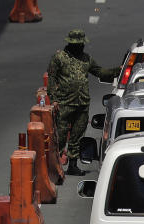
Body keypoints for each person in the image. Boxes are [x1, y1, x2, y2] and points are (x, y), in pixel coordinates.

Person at [47, 29, 119, 176]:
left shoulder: (87, 59)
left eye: (81, 44)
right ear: (70, 43)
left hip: (82, 103)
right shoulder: (59, 57)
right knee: (60, 135)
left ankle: (73, 165)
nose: (80, 46)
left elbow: (100, 72)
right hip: (64, 103)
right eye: (77, 44)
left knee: (77, 135)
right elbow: (52, 77)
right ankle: (53, 166)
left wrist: (118, 70)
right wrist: (53, 99)